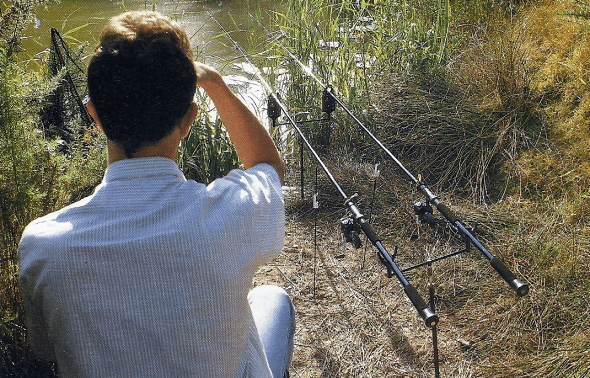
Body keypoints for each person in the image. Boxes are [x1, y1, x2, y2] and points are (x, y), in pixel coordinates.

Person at [18, 11, 294, 378]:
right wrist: (215, 84)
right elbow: (268, 167)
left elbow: (47, 349)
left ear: (95, 116)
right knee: (272, 299)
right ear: (189, 119)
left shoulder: (41, 246)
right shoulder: (230, 214)